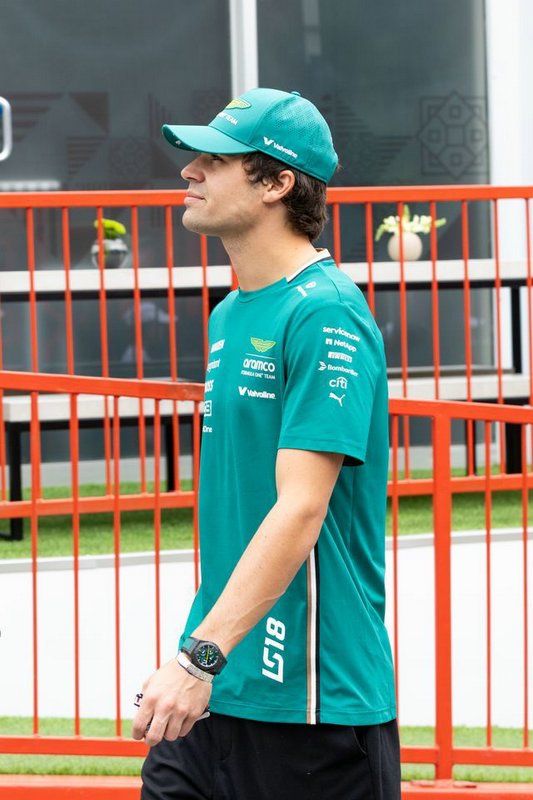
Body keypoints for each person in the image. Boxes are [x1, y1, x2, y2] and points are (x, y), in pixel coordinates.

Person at [134, 87, 401, 800]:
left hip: (311, 704)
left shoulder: (326, 313)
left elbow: (300, 508)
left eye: (216, 160)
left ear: (277, 183)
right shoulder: (229, 314)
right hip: (217, 690)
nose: (189, 171)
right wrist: (201, 660)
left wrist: (198, 658)